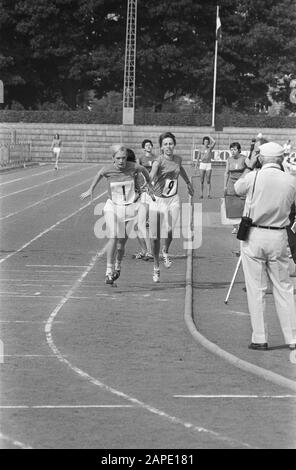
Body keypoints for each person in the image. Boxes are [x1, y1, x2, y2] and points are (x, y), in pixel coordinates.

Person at [234, 142, 296, 351]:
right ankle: (292, 337)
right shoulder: (290, 180)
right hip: (279, 234)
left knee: (256, 288)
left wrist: (250, 166)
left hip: (254, 234)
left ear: (261, 158)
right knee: (284, 287)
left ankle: (260, 337)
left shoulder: (254, 176)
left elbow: (237, 188)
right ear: (280, 159)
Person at [80, 144, 154, 285]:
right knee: (113, 236)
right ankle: (108, 271)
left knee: (121, 246)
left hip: (129, 209)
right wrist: (91, 189)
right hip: (112, 206)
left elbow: (144, 170)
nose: (121, 161)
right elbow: (99, 174)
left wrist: (149, 184)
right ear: (113, 158)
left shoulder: (133, 167)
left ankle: (118, 267)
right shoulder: (108, 169)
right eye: (118, 158)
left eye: (124, 158)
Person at [148, 132, 194, 283]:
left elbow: (180, 169)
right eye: (165, 144)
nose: (168, 146)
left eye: (170, 143)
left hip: (173, 199)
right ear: (161, 147)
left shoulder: (178, 159)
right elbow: (152, 174)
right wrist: (149, 184)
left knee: (169, 230)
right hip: (158, 200)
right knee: (155, 237)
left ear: (174, 144)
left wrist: (188, 183)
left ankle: (165, 251)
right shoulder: (158, 161)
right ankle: (156, 266)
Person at [223, 142, 247, 234]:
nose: (233, 151)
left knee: (242, 204)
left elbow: (249, 169)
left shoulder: (244, 158)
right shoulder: (229, 159)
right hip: (231, 183)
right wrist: (225, 186)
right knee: (232, 204)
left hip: (241, 182)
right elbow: (226, 173)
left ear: (239, 150)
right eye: (231, 149)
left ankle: (242, 224)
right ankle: (235, 227)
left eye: (235, 149)